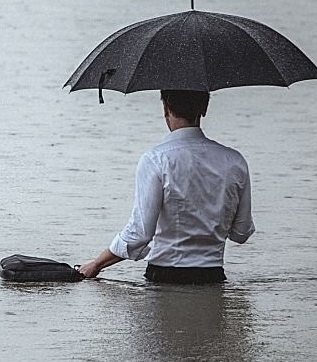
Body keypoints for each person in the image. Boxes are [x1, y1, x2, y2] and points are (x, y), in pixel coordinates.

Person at [78, 90, 254, 284]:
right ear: (204, 108)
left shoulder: (156, 160)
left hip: (166, 276)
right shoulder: (235, 161)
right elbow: (241, 233)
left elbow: (140, 234)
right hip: (213, 277)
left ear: (165, 108)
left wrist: (96, 264)